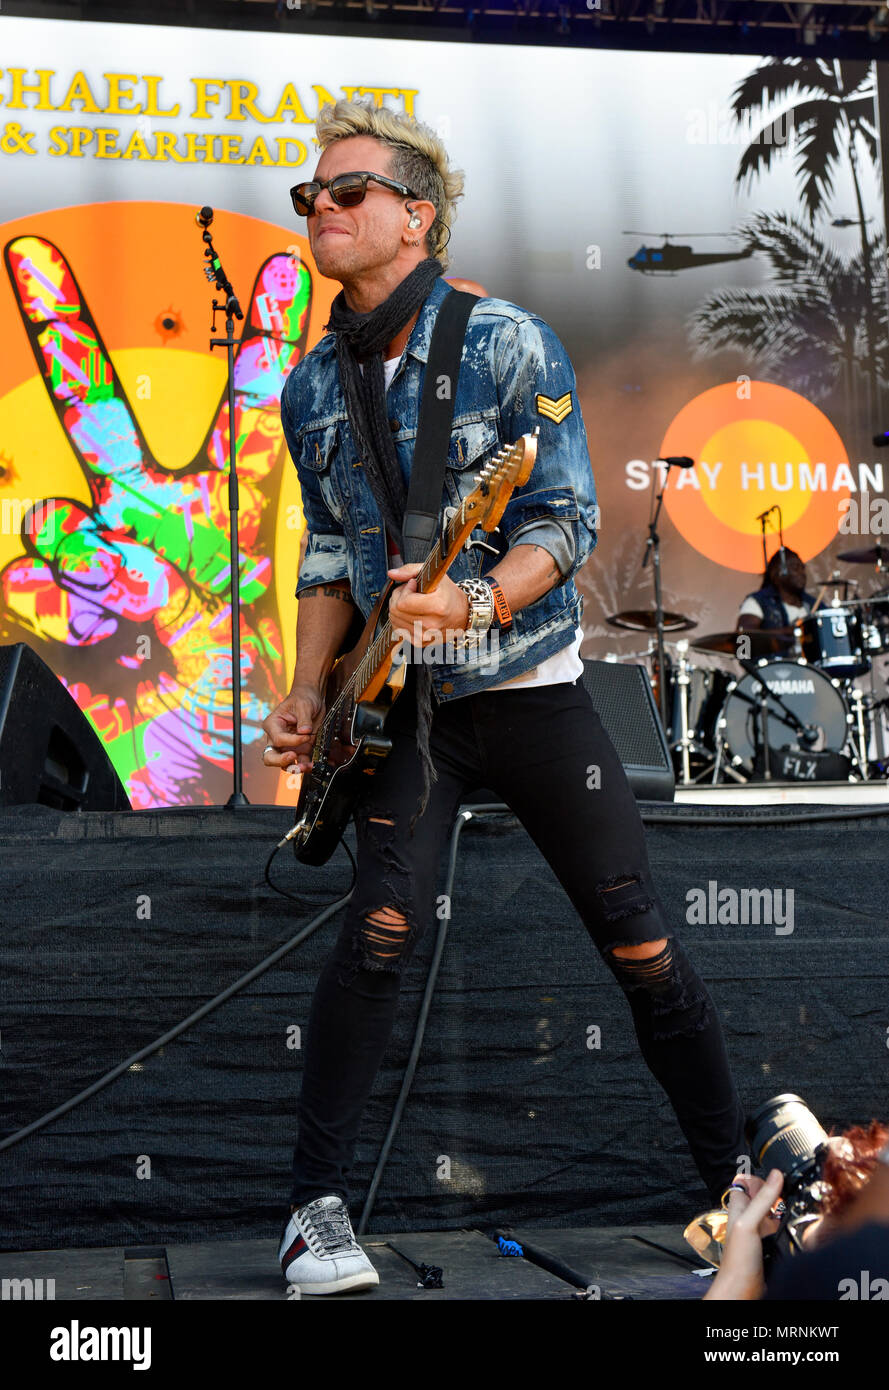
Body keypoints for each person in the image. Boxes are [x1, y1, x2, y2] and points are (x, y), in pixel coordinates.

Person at [264, 97, 747, 1296]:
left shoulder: (503, 342)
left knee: (638, 943)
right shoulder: (311, 385)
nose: (318, 211)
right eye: (308, 197)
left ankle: (742, 1193)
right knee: (379, 932)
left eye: (345, 193)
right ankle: (311, 1214)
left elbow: (560, 517)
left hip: (527, 691)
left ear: (413, 215)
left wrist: (473, 604)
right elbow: (331, 553)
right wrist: (306, 687)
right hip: (395, 709)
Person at [737, 548, 814, 639]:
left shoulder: (812, 603)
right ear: (776, 574)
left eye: (802, 567)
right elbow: (743, 637)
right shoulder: (758, 602)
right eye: (795, 568)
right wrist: (786, 632)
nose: (802, 572)